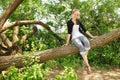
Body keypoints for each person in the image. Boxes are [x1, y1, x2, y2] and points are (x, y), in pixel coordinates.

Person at [62, 9, 97, 74]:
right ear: (72, 14)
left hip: (80, 35)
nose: (76, 16)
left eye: (78, 15)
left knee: (87, 41)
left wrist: (92, 36)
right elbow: (69, 33)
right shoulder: (69, 22)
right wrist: (67, 43)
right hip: (74, 37)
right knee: (81, 46)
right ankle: (88, 66)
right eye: (75, 14)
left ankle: (84, 60)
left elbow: (85, 30)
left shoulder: (78, 21)